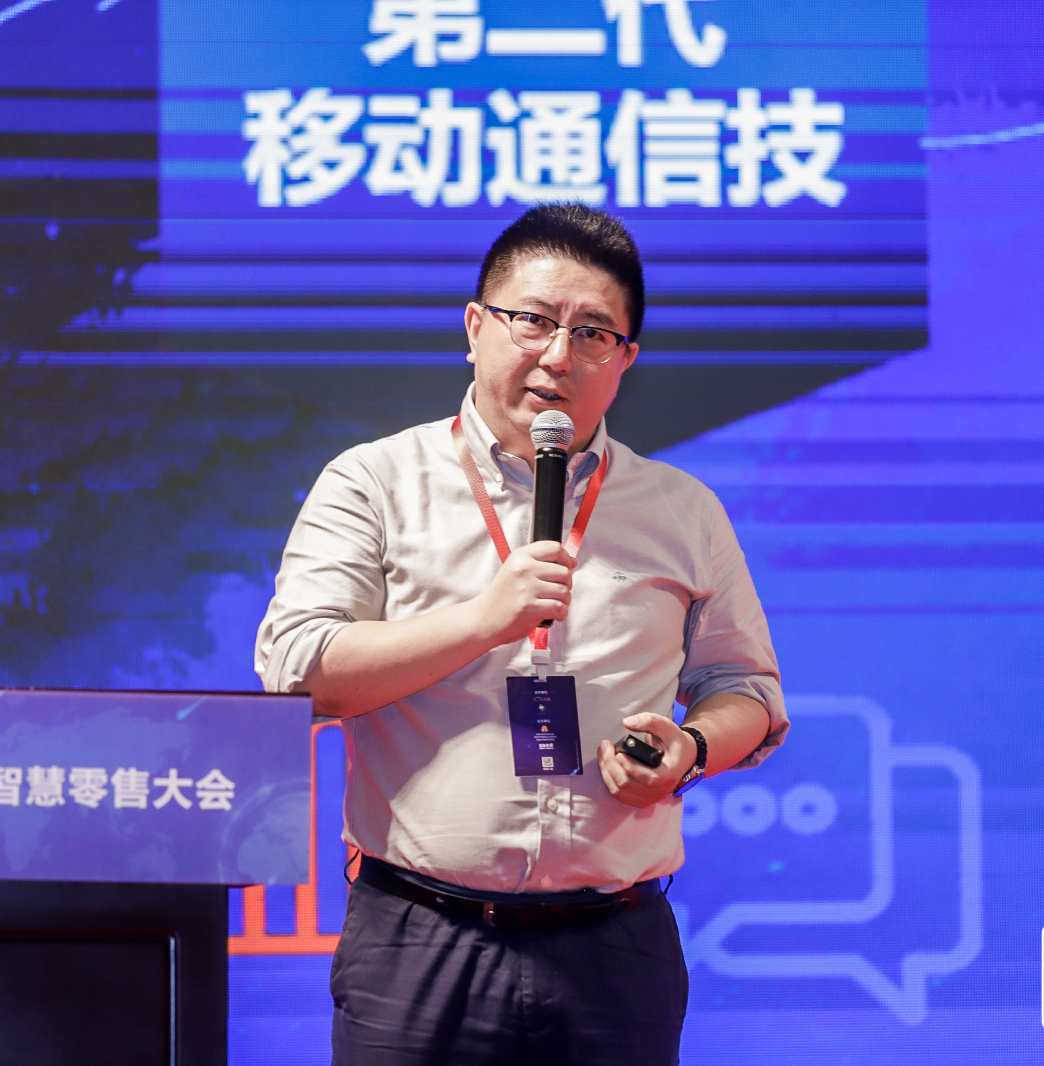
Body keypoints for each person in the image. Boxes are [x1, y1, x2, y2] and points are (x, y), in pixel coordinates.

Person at [256, 204, 787, 1066]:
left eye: (593, 333)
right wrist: (482, 621)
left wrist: (689, 749)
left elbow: (748, 692)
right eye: (532, 321)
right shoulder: (374, 482)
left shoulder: (682, 510)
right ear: (475, 328)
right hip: (418, 936)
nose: (558, 354)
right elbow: (297, 674)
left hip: (615, 945)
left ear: (626, 359)